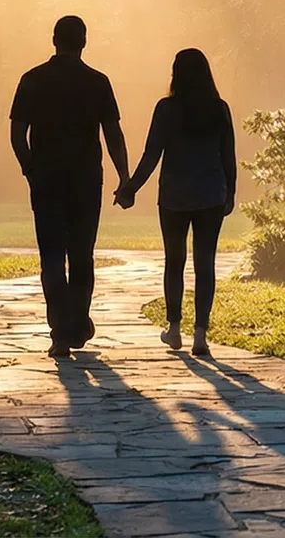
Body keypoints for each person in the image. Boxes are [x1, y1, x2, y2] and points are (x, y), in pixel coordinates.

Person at [10, 15, 129, 359]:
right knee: (81, 254)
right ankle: (77, 321)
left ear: (54, 40)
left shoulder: (32, 80)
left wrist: (30, 169)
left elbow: (18, 134)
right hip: (86, 179)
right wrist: (124, 178)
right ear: (84, 42)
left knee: (51, 256)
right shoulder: (98, 82)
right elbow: (113, 135)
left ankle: (60, 332)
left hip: (46, 179)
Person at [115, 48, 236, 357]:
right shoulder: (218, 109)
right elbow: (228, 157)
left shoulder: (167, 109)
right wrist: (230, 192)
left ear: (176, 74)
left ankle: (174, 328)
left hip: (174, 196)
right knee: (205, 263)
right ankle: (201, 335)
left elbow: (152, 154)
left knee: (175, 261)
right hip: (211, 194)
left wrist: (130, 188)